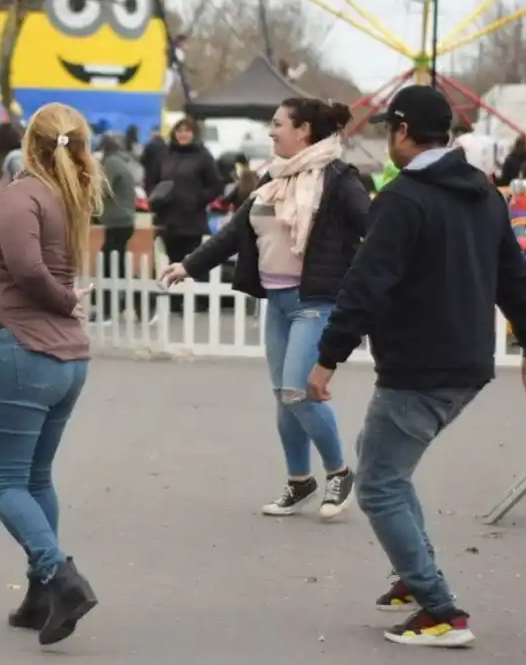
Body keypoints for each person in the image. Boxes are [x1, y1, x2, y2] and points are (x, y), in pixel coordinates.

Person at [307, 85, 526, 649]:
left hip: (420, 364)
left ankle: (441, 610)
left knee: (378, 486)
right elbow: (513, 275)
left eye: (389, 131)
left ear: (401, 131)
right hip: (466, 362)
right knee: (386, 466)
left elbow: (365, 284)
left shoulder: (403, 198)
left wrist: (328, 358)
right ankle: (413, 576)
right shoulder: (485, 195)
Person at [0, 103, 101, 646]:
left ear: (30, 142)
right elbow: (15, 263)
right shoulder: (68, 191)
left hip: (23, 349)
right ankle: (39, 594)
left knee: (4, 482)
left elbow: (31, 271)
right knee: (35, 479)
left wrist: (61, 302)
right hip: (64, 359)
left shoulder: (22, 193)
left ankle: (60, 575)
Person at [162, 99, 369, 518]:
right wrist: (189, 265)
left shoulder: (339, 179)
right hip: (276, 303)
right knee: (283, 396)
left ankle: (340, 472)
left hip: (315, 301)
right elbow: (234, 233)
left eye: (277, 125)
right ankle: (299, 482)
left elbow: (374, 229)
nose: (270, 132)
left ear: (304, 130)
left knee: (298, 391)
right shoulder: (271, 180)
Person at [147, 117, 221, 269]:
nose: (183, 134)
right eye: (179, 131)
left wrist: (198, 198)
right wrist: (156, 196)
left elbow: (217, 185)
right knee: (171, 263)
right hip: (167, 220)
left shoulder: (203, 156)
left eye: (187, 131)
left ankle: (189, 292)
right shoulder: (165, 155)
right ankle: (175, 293)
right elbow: (151, 180)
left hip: (191, 222)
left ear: (194, 133)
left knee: (189, 265)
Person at [95, 133, 139, 320]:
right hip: (125, 220)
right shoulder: (123, 161)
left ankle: (108, 310)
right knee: (117, 265)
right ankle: (120, 304)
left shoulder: (111, 163)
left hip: (116, 221)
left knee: (109, 266)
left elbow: (103, 188)